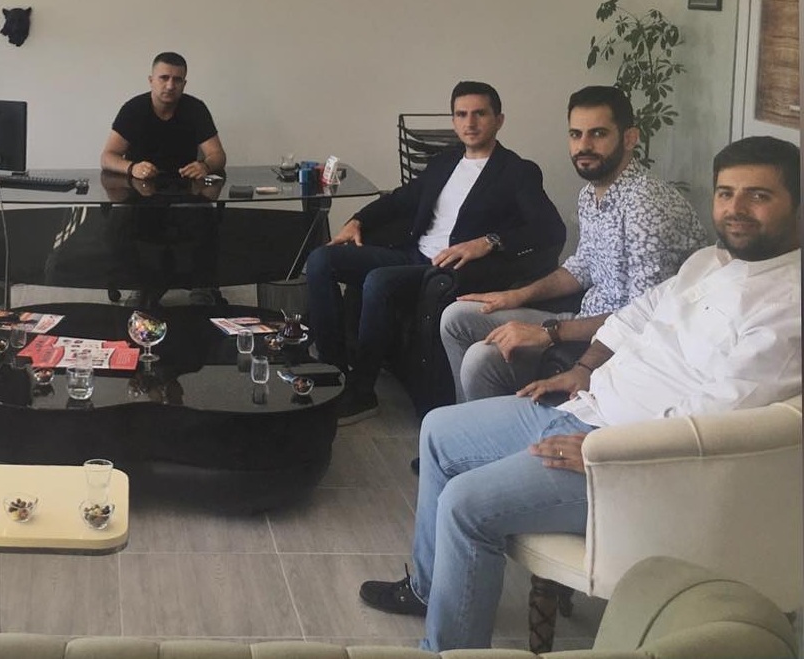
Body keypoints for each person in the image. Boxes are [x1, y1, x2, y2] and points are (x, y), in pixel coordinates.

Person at [357, 136, 803, 651]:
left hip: (637, 468)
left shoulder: (787, 306)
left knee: (464, 503)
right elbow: (635, 315)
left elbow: (715, 424)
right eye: (726, 193)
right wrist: (584, 369)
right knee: (439, 429)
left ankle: (450, 650)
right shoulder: (710, 261)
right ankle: (430, 589)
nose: (736, 208)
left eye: (758, 196)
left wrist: (605, 450)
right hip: (590, 410)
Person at [304, 81, 564, 425]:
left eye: (480, 114)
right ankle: (333, 371)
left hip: (446, 269)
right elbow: (401, 199)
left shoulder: (517, 171)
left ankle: (362, 391)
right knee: (321, 259)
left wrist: (489, 241)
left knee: (378, 281)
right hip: (411, 254)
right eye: (461, 115)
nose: (470, 123)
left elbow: (549, 228)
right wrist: (357, 220)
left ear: (499, 120)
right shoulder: (445, 162)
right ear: (453, 121)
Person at [440, 86, 710, 402]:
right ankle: (463, 419)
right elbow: (582, 268)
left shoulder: (646, 205)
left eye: (598, 134)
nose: (583, 146)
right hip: (585, 318)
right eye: (575, 134)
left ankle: (483, 428)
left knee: (482, 358)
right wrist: (515, 296)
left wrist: (549, 332)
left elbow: (642, 316)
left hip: (619, 339)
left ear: (629, 138)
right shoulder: (591, 194)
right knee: (456, 317)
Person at [99, 51, 228, 307]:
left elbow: (218, 155)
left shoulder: (195, 108)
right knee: (117, 225)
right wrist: (132, 167)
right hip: (140, 191)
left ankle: (202, 285)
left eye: (177, 80)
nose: (170, 85)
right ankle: (141, 284)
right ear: (151, 80)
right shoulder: (134, 109)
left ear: (184, 83)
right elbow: (107, 156)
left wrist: (204, 165)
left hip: (186, 190)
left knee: (206, 219)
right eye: (164, 78)